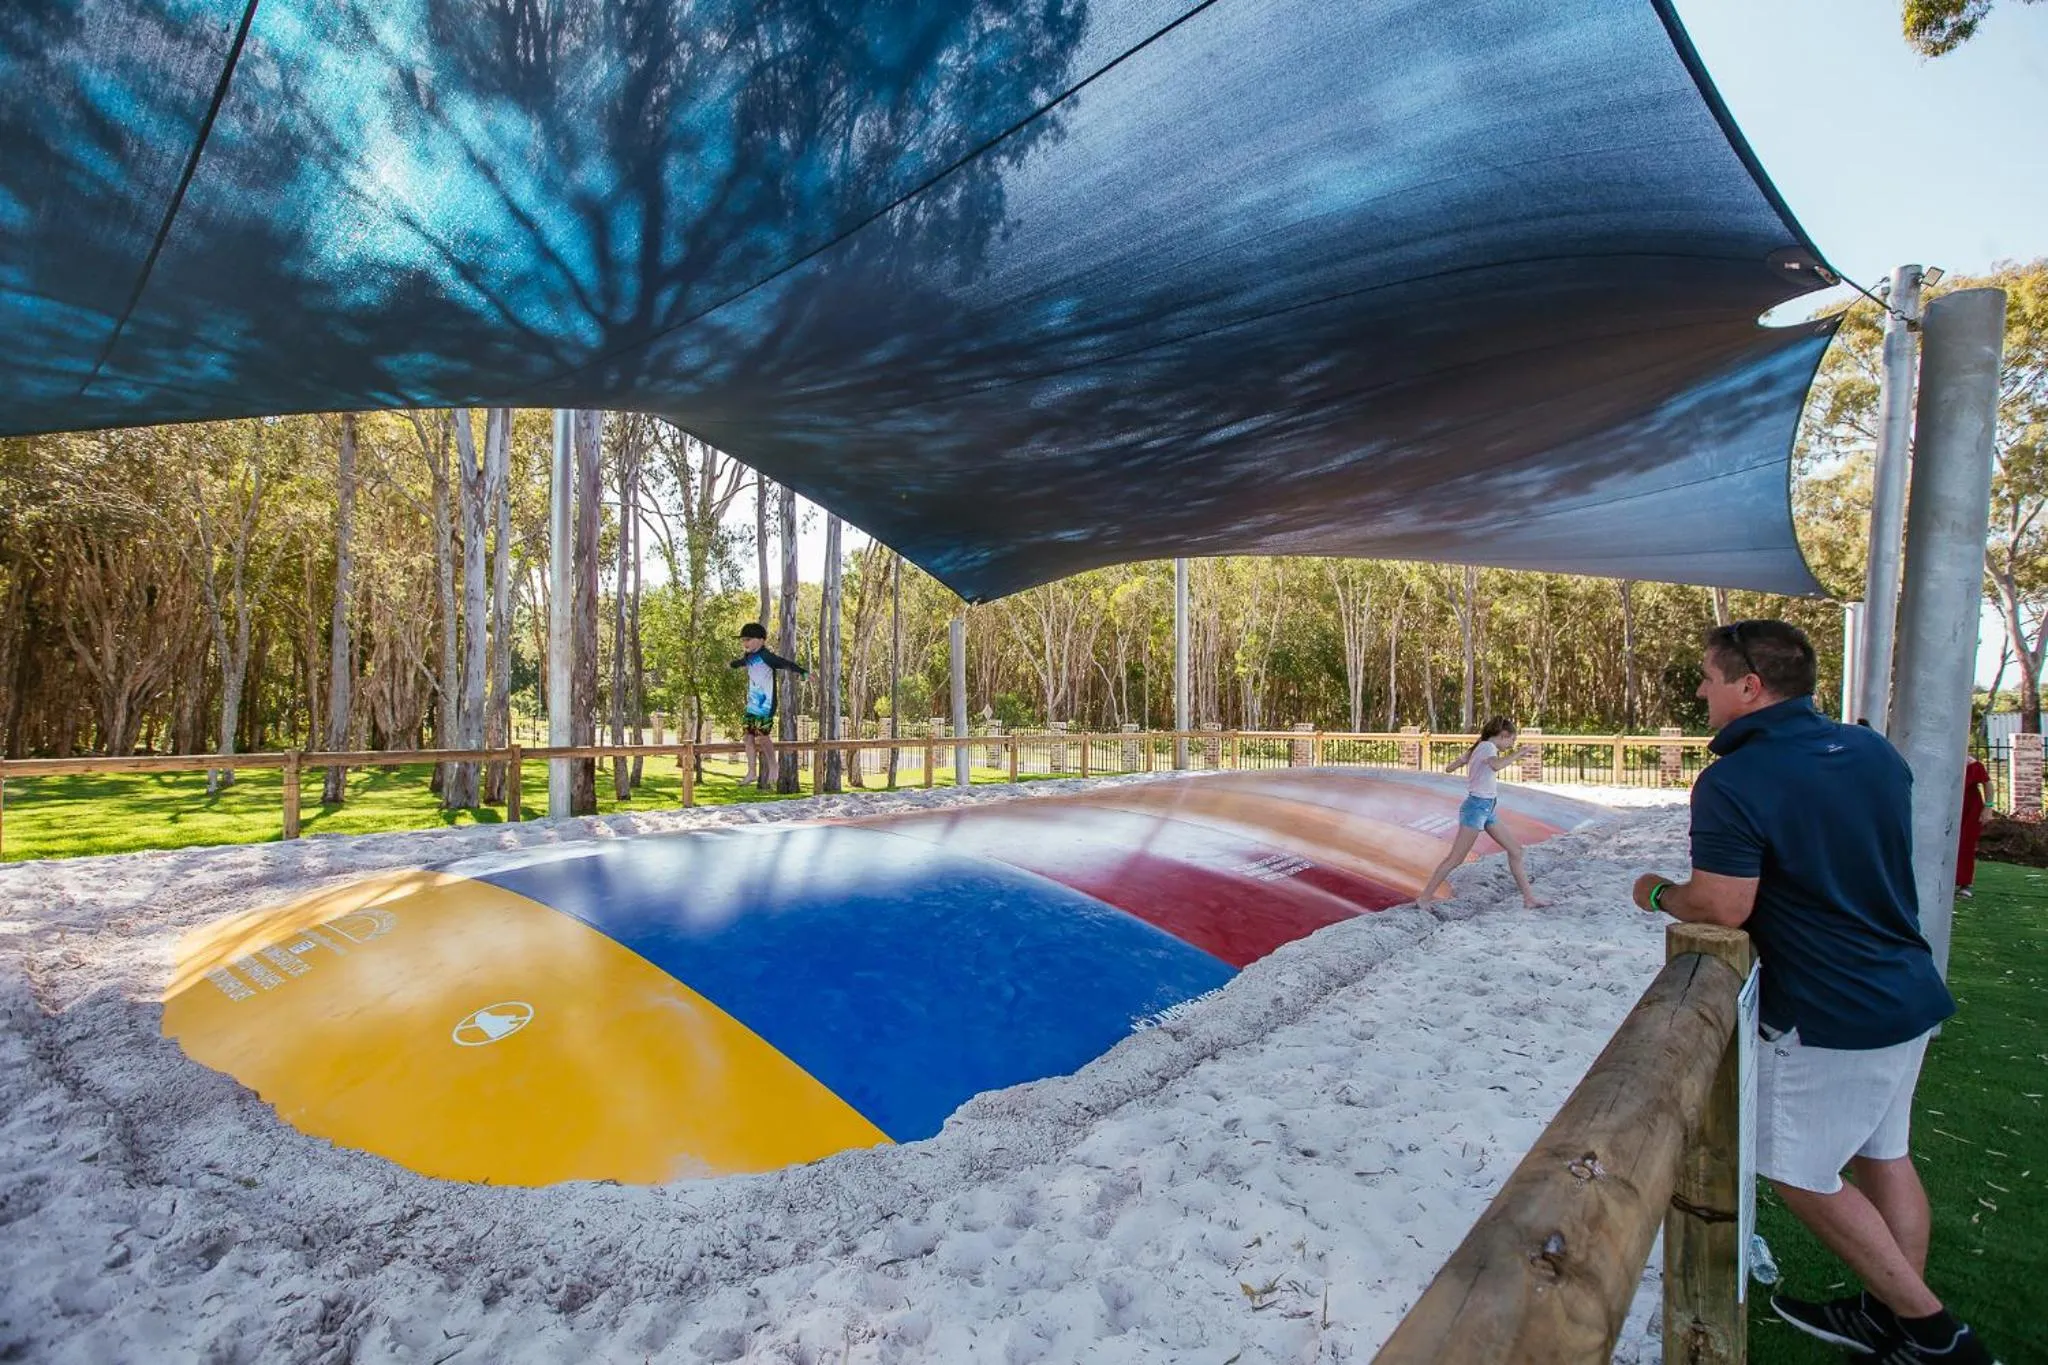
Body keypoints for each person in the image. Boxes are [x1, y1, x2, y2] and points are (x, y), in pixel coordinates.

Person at [1632, 621, 1994, 1365]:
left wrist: (1658, 891)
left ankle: (1934, 1333)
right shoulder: (1872, 751)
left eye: (1708, 675)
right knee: (1883, 1155)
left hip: (1833, 1012)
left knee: (1798, 1172)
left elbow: (1724, 904)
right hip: (1908, 989)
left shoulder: (1734, 779)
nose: (1700, 689)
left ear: (1750, 687)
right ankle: (1883, 1314)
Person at [1414, 715, 1549, 909]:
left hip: (1487, 808)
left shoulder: (1480, 747)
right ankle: (1424, 898)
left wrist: (1467, 762)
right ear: (1503, 735)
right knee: (1456, 858)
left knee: (1516, 850)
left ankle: (1529, 899)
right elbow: (1496, 765)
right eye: (1512, 740)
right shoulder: (1487, 747)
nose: (1511, 745)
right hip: (1476, 808)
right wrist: (1519, 754)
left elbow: (1450, 767)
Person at [729, 623, 806, 788]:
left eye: (748, 639)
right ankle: (751, 772)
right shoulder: (749, 657)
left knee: (762, 736)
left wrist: (802, 672)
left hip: (766, 704)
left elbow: (785, 663)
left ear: (761, 640)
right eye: (743, 640)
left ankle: (773, 765)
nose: (745, 643)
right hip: (752, 704)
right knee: (748, 737)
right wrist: (731, 665)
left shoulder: (766, 657)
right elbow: (742, 662)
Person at [1957, 754, 1990, 899]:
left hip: (1970, 809)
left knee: (1966, 844)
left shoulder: (1971, 764)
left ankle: (1965, 883)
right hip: (1947, 808)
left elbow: (1987, 783)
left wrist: (1988, 807)